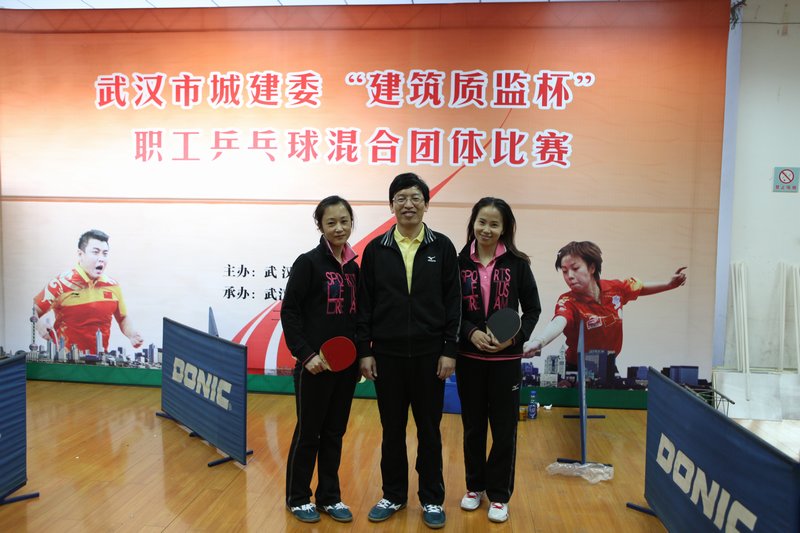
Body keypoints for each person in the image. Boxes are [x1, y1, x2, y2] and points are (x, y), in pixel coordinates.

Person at [357, 173, 460, 530]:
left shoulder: (442, 247)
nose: (408, 205)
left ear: (426, 204)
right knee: (392, 430)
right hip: (387, 356)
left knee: (429, 430)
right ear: (392, 205)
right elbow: (365, 305)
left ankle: (431, 499)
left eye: (415, 198)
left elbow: (454, 303)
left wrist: (449, 350)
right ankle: (394, 494)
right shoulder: (376, 249)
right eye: (401, 198)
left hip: (432, 356)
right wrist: (365, 351)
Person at [456, 197, 541, 523]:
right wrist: (470, 332)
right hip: (469, 358)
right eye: (482, 222)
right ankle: (474, 487)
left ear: (504, 229)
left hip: (506, 362)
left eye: (494, 224)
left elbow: (532, 310)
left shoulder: (518, 264)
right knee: (473, 427)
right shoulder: (458, 262)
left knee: (504, 430)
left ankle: (500, 495)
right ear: (473, 223)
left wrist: (513, 338)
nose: (487, 229)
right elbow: (450, 309)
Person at [281, 195, 360, 524]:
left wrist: (359, 358)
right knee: (308, 433)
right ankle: (298, 497)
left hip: (346, 370)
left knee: (334, 433)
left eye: (344, 221)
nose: (339, 228)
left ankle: (329, 497)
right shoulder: (308, 263)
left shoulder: (354, 268)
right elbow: (290, 312)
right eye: (331, 222)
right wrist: (306, 354)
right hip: (313, 368)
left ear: (351, 223)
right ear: (320, 226)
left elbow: (357, 317)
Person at [523, 241, 687, 369]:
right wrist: (539, 342)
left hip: (607, 366)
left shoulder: (616, 289)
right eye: (565, 271)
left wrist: (669, 284)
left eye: (575, 268)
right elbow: (558, 322)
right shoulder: (568, 300)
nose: (569, 276)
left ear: (592, 267)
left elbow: (641, 287)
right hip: (575, 368)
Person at [33, 229, 143, 353]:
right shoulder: (60, 284)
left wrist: (131, 334)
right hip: (66, 360)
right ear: (81, 254)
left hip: (101, 360)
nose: (101, 258)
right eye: (95, 252)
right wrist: (39, 324)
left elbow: (123, 318)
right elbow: (33, 310)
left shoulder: (113, 285)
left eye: (105, 253)